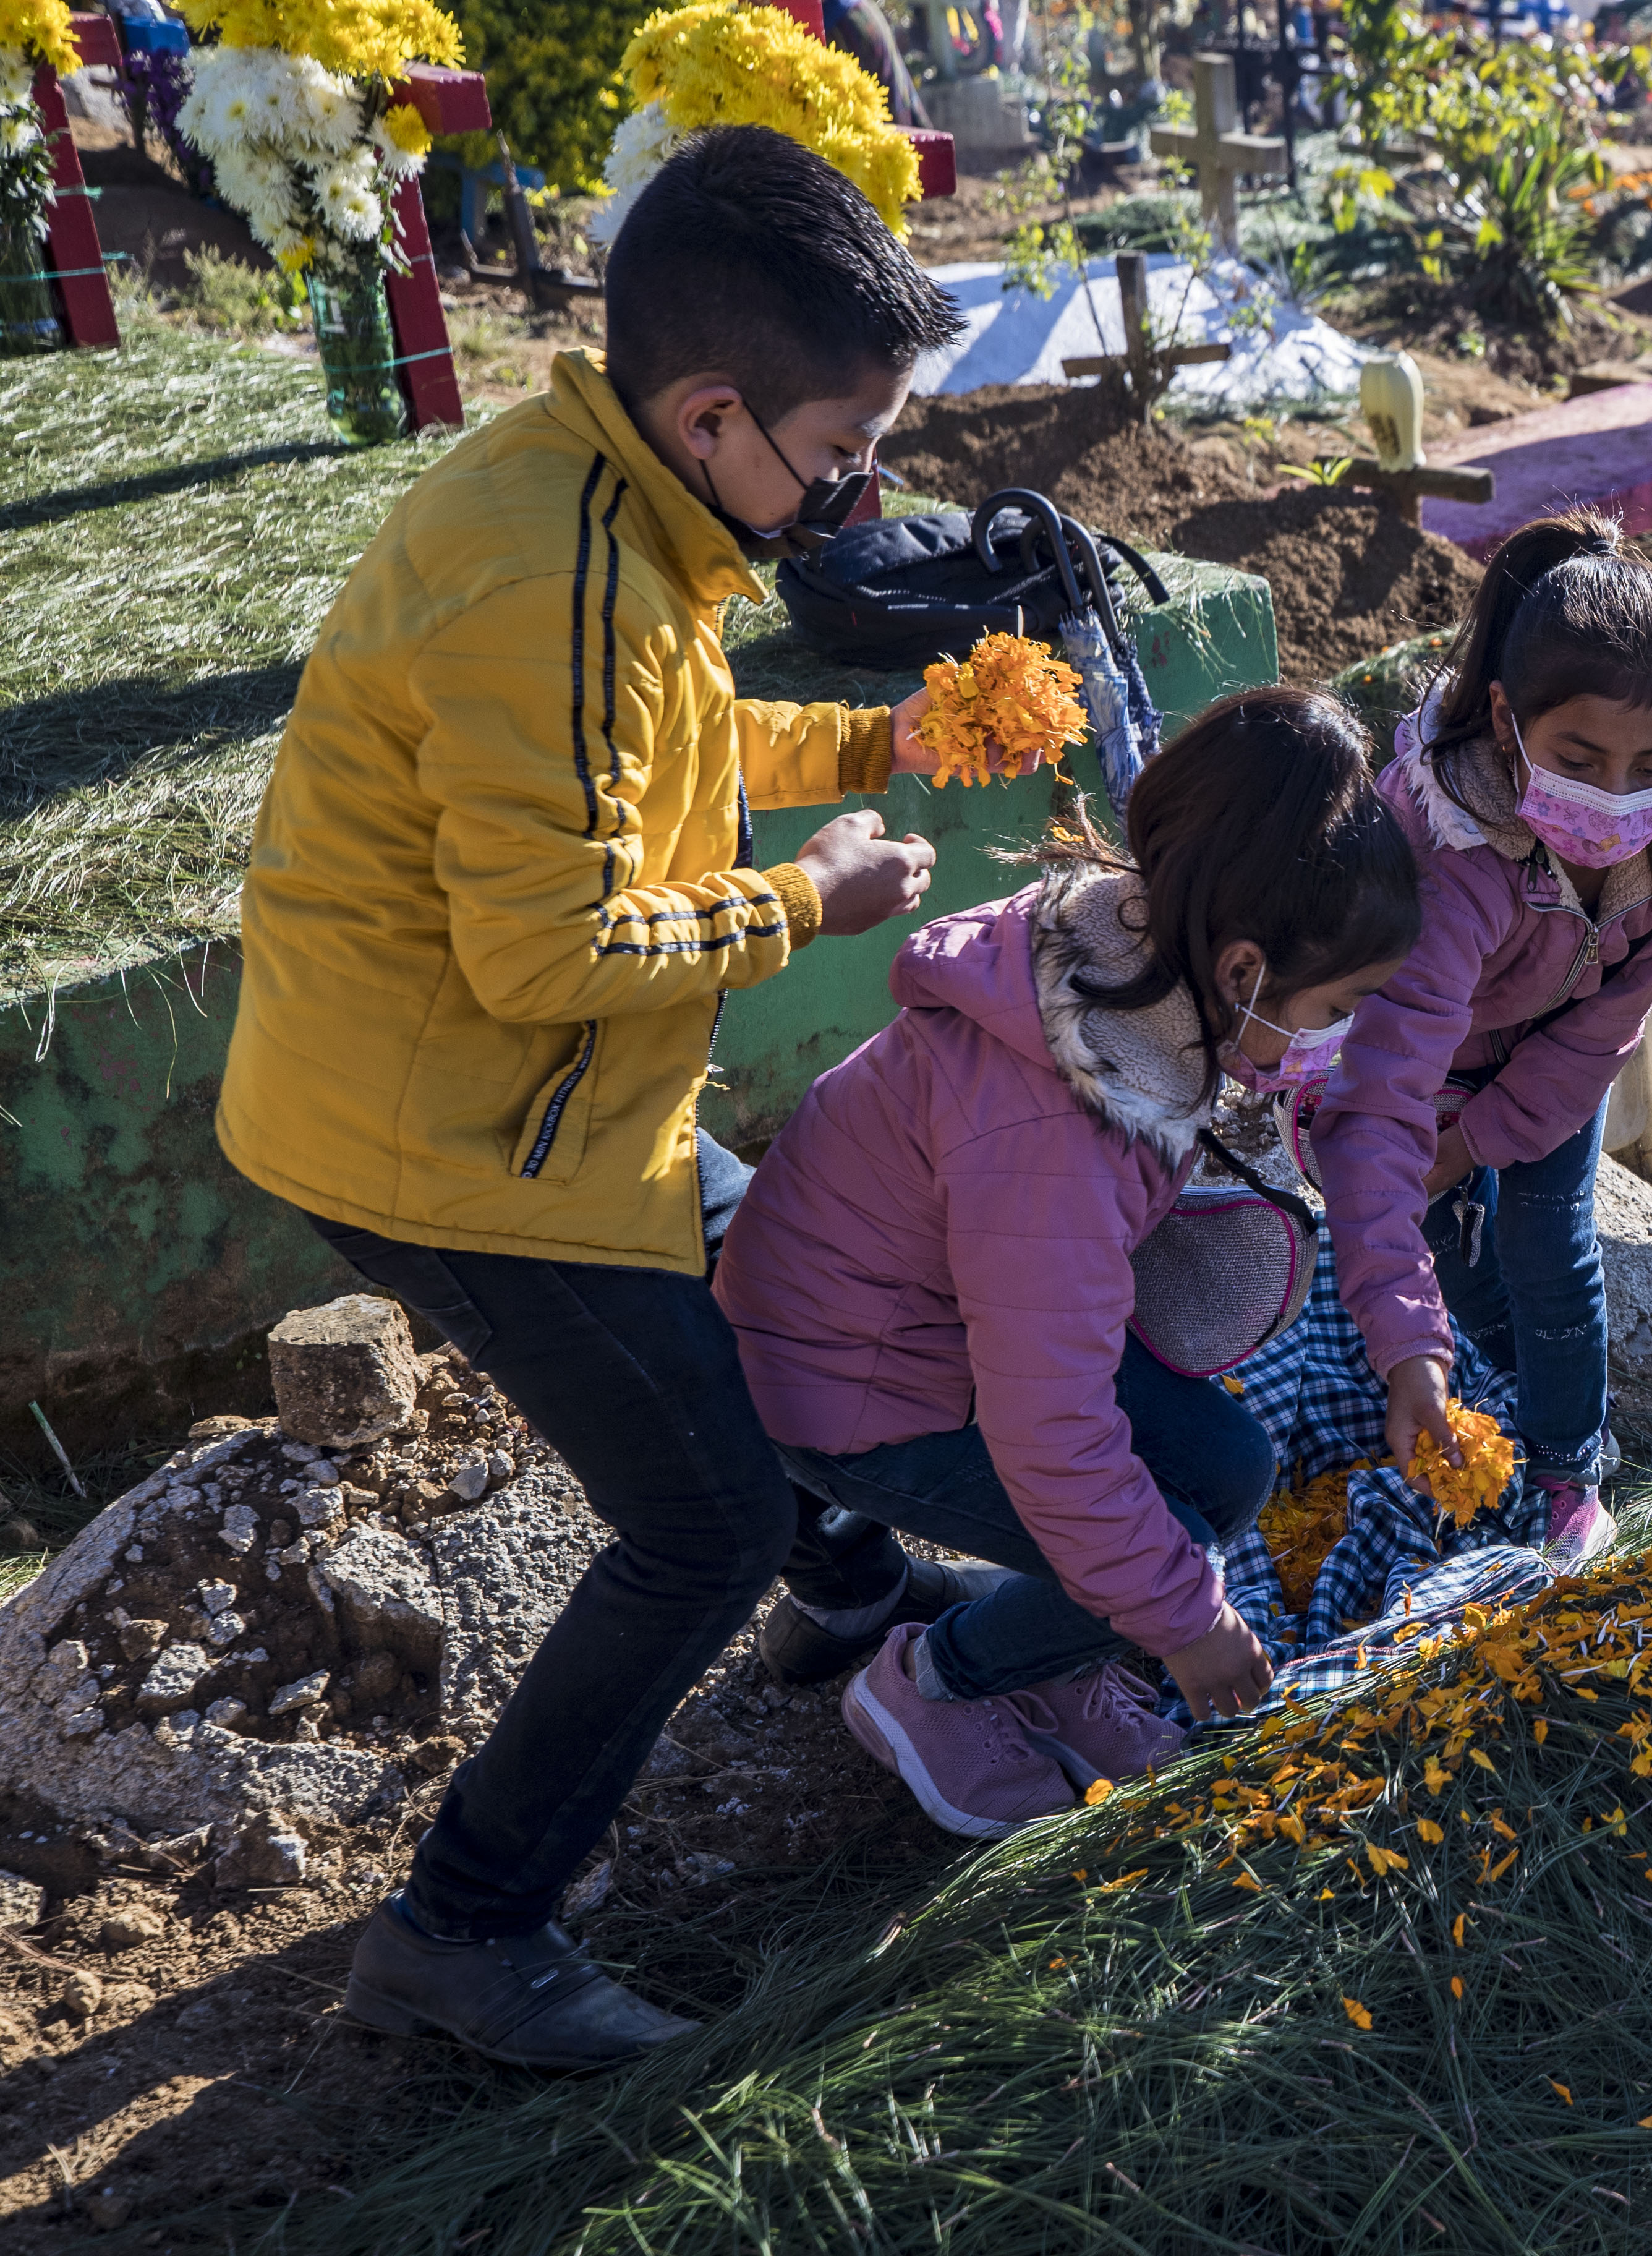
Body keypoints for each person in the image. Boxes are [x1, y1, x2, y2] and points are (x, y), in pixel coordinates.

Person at [213, 126, 966, 2069]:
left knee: (766, 1265)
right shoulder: (555, 579)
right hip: (450, 1134)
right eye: (839, 448)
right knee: (692, 1516)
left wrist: (896, 730)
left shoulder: (625, 509)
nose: (854, 487)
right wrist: (816, 901)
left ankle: (853, 1581)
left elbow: (678, 750)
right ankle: (466, 1924)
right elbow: (546, 956)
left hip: (517, 1088)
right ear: (715, 410)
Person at [713, 689, 1423, 1839]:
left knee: (1230, 1464)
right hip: (848, 1387)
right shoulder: (1053, 1133)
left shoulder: (1125, 963)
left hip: (936, 1328)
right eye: (1338, 1008)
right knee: (1171, 1557)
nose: (1342, 1036)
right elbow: (1049, 1428)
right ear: (1241, 971)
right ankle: (930, 1684)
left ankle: (1044, 1657)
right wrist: (1183, 1623)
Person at [1309, 511, 1652, 1565]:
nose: (1615, 796)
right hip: (1434, 1066)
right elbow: (1393, 1064)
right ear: (1507, 723)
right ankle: (1494, 1387)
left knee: (1552, 1247)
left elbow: (1612, 1014)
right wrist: (1441, 1149)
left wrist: (1493, 1135)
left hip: (1560, 1062)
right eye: (1579, 758)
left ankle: (1566, 1464)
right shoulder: (1452, 843)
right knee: (1455, 1267)